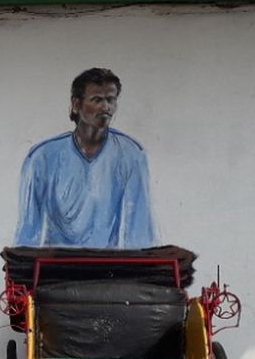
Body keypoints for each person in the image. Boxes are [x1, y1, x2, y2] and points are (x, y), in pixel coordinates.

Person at [13, 67, 157, 249]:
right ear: (76, 104)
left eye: (111, 100)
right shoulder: (43, 157)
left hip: (106, 270)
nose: (106, 107)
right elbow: (28, 231)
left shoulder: (131, 154)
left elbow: (140, 231)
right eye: (97, 100)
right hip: (55, 270)